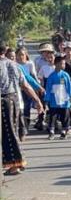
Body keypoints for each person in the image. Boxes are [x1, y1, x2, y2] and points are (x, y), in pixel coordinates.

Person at [1, 41, 43, 174]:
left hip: (3, 100)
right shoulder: (15, 65)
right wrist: (37, 100)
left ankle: (15, 163)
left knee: (8, 133)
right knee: (11, 132)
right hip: (14, 99)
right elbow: (25, 85)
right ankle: (15, 163)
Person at [44, 54, 71, 139]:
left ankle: (64, 131)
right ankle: (51, 131)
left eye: (64, 64)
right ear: (56, 64)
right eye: (62, 63)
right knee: (53, 116)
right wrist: (47, 99)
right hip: (54, 99)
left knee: (65, 115)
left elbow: (69, 87)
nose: (63, 65)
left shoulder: (65, 75)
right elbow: (48, 88)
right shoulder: (51, 76)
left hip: (64, 99)